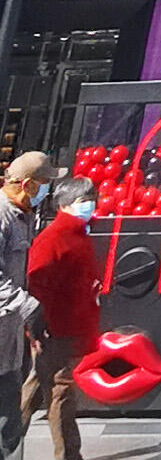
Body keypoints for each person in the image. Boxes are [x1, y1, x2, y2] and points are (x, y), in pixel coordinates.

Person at [21, 177, 100, 460]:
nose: (90, 205)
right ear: (65, 205)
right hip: (57, 328)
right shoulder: (56, 238)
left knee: (37, 388)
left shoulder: (77, 234)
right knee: (60, 393)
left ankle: (8, 442)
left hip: (65, 325)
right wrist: (38, 326)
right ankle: (68, 455)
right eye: (84, 200)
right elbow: (39, 284)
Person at [0, 151, 55, 460]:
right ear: (28, 185)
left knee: (9, 414)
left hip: (8, 340)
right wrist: (30, 308)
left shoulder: (22, 214)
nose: (46, 191)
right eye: (44, 184)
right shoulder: (2, 215)